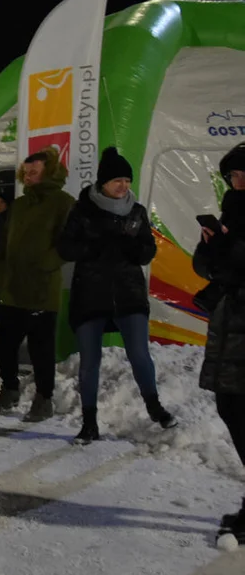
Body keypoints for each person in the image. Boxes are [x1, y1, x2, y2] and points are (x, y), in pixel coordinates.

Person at [57, 148, 178, 443]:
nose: (123, 186)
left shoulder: (136, 210)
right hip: (90, 295)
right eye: (117, 181)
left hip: (129, 293)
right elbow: (65, 248)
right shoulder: (82, 209)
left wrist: (135, 248)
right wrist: (94, 246)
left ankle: (155, 407)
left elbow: (148, 250)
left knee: (139, 353)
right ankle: (89, 422)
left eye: (126, 180)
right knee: (90, 361)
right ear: (103, 183)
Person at [0, 147, 75, 420]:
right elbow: (4, 242)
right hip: (12, 288)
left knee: (41, 349)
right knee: (5, 344)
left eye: (35, 168)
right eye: (27, 170)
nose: (30, 173)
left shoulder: (64, 202)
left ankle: (43, 399)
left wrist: (45, 264)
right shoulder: (20, 204)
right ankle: (9, 390)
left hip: (41, 289)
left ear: (49, 170)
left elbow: (69, 244)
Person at [196, 143, 245, 543]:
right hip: (231, 327)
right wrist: (212, 244)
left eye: (244, 175)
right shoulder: (231, 212)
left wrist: (227, 250)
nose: (238, 182)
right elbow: (205, 265)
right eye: (233, 177)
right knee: (230, 406)